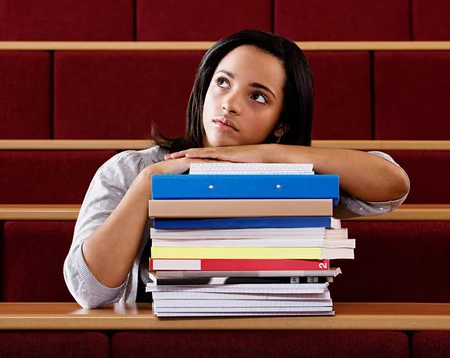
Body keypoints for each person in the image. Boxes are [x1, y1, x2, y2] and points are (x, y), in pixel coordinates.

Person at [63, 29, 410, 309]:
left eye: (257, 96)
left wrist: (271, 156)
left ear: (282, 125)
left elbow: (393, 186)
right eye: (222, 83)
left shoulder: (298, 176)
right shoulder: (132, 169)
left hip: (274, 334)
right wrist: (147, 183)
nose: (229, 104)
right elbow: (90, 290)